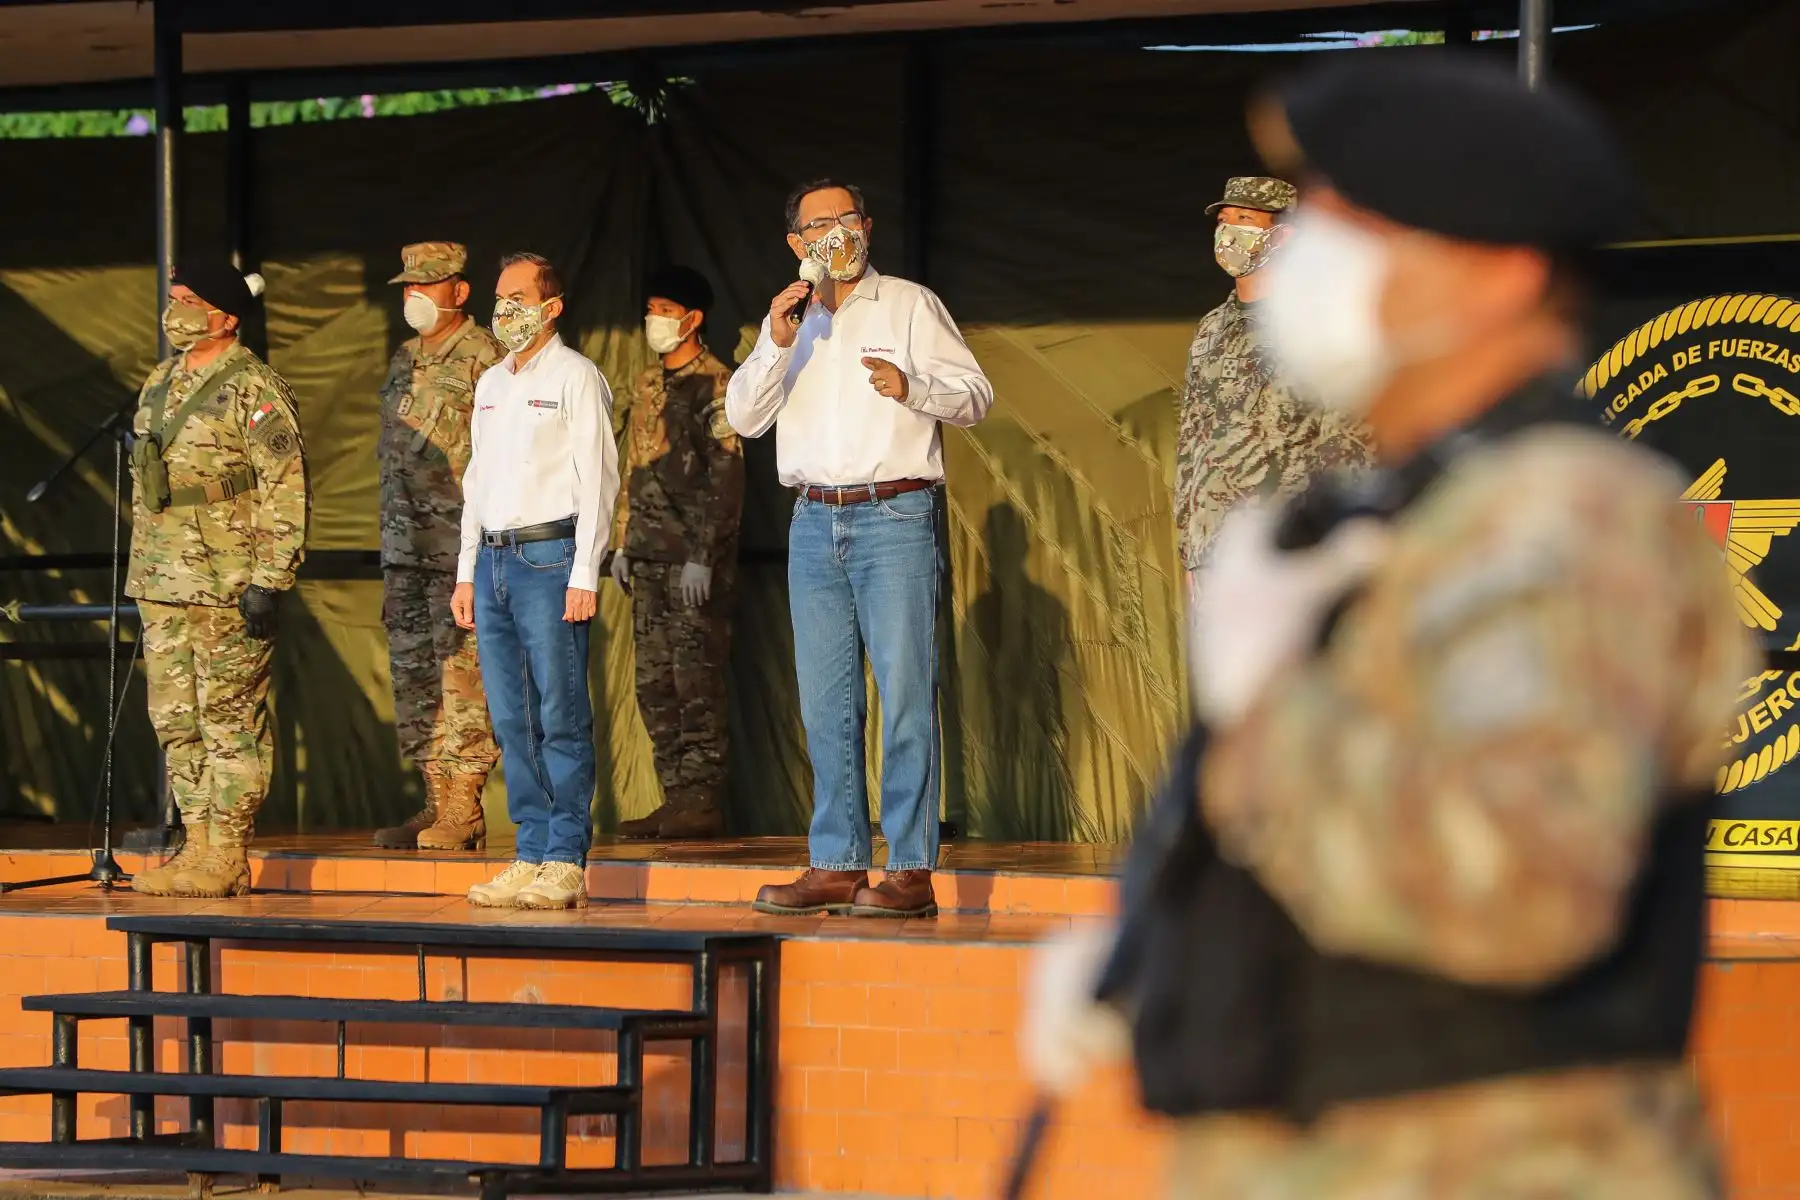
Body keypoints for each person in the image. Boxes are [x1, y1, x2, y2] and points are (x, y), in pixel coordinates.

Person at [1022, 57, 1752, 1198]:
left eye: (1357, 222)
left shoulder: (1567, 520)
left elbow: (1517, 890)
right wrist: (1176, 940)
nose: (1310, 253)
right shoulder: (1411, 513)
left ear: (1500, 273)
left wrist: (1271, 723)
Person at [727, 179, 993, 918]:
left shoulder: (908, 304)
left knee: (905, 694)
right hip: (814, 520)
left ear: (868, 228)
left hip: (894, 513)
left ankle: (908, 869)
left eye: (848, 219)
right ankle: (837, 862)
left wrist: (913, 386)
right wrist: (776, 342)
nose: (837, 232)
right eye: (821, 224)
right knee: (826, 703)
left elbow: (976, 397)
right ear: (797, 242)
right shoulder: (790, 322)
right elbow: (743, 419)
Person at [128, 262, 309, 899]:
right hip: (162, 577)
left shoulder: (254, 387)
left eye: (190, 300)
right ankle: (197, 842)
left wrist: (270, 579)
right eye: (173, 297)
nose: (174, 310)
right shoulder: (160, 380)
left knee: (228, 717)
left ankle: (228, 852)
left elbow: (285, 485)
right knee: (175, 719)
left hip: (225, 578)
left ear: (227, 317)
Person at [452, 252, 618, 910]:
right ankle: (529, 849)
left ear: (552, 308)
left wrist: (585, 571)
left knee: (560, 712)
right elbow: (477, 480)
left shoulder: (576, 376)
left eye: (518, 298)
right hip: (493, 558)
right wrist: (466, 569)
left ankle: (565, 856)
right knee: (511, 715)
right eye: (500, 297)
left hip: (550, 556)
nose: (505, 310)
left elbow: (598, 478)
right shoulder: (492, 382)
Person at [372, 241, 505, 852]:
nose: (414, 296)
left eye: (426, 284)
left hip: (459, 548)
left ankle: (464, 804)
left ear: (460, 290)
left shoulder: (487, 357)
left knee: (464, 676)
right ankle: (434, 797)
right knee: (415, 678)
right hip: (404, 547)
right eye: (407, 286)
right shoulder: (403, 357)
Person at [1174, 176, 1371, 584]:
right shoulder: (1212, 327)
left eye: (1245, 220)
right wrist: (1191, 551)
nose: (1228, 232)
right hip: (1216, 555)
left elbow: (1350, 440)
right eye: (1224, 221)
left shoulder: (1315, 324)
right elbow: (1193, 439)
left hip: (1290, 549)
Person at [610, 266, 744, 840]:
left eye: (665, 311)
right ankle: (675, 797)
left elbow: (727, 475)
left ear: (693, 319)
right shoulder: (647, 383)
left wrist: (704, 554)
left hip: (691, 565)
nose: (654, 321)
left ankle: (701, 798)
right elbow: (633, 467)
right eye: (651, 310)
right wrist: (622, 540)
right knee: (655, 685)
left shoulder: (718, 384)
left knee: (696, 681)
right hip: (646, 558)